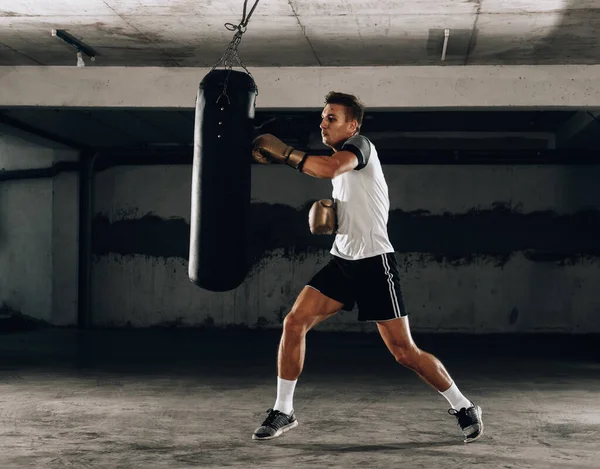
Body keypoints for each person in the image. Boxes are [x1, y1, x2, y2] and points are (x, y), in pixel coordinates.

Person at [250, 91, 484, 443]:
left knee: (405, 353)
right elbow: (332, 175)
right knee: (294, 323)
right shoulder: (340, 165)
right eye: (323, 117)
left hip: (375, 264)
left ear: (352, 125)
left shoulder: (361, 146)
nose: (323, 123)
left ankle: (464, 406)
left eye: (331, 118)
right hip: (343, 262)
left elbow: (328, 167)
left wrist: (285, 153)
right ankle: (284, 410)